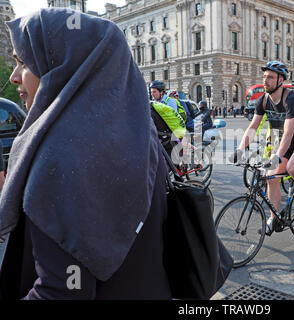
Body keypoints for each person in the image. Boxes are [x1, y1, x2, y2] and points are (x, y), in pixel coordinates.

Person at [0, 8, 172, 300]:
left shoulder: (61, 156)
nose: (15, 78)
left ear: (65, 67)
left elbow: (62, 293)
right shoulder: (143, 138)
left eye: (24, 63)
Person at [230, 61, 294, 235]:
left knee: (293, 167)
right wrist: (240, 149)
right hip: (285, 140)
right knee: (271, 177)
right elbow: (253, 127)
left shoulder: (291, 98)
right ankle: (273, 216)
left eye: (270, 77)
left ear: (281, 80)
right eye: (264, 77)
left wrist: (277, 155)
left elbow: (288, 132)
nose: (265, 80)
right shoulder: (263, 99)